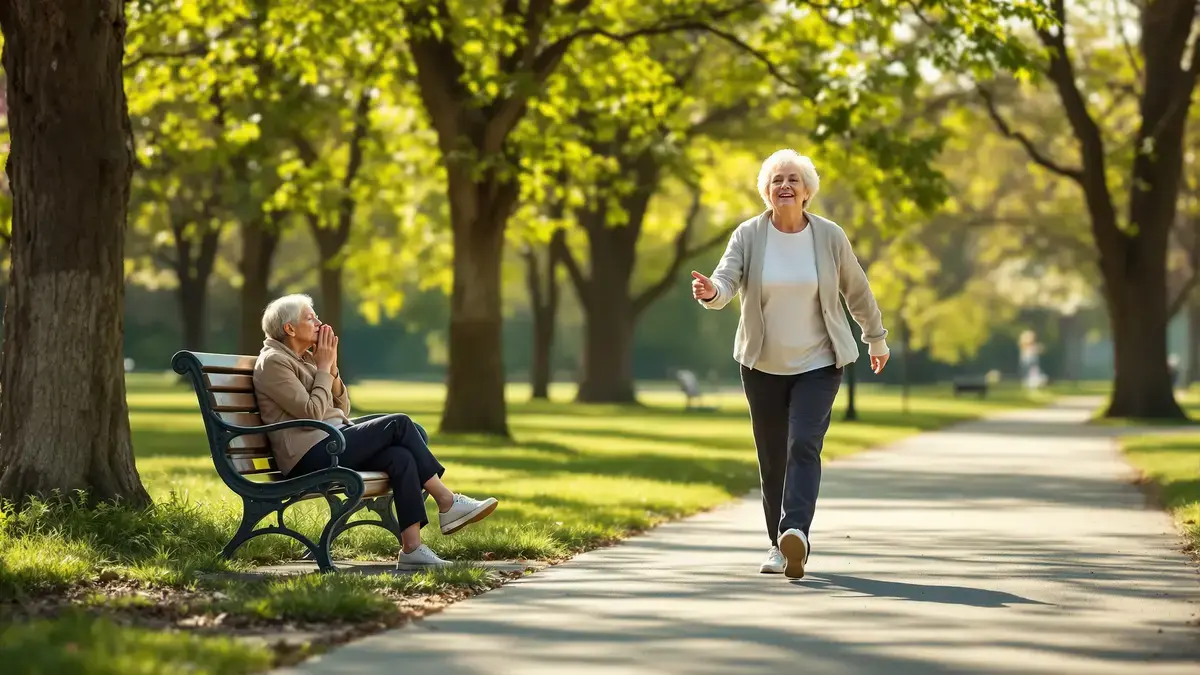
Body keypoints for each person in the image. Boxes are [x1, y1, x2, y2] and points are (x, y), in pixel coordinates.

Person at [690, 149, 889, 579]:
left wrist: (875, 337)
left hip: (819, 362)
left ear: (807, 191)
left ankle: (793, 531)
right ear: (766, 191)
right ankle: (775, 546)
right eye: (776, 179)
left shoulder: (829, 236)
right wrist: (712, 293)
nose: (784, 185)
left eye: (793, 179)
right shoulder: (749, 235)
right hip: (761, 364)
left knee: (803, 443)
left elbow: (857, 289)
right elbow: (726, 279)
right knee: (771, 457)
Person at [252, 294, 498, 568]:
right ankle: (447, 501)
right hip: (308, 457)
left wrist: (330, 368)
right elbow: (311, 412)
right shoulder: (273, 362)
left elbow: (342, 407)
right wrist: (323, 367)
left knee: (401, 456)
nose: (319, 322)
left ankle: (412, 549)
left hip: (332, 442)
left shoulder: (306, 358)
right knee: (400, 423)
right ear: (290, 329)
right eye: (311, 318)